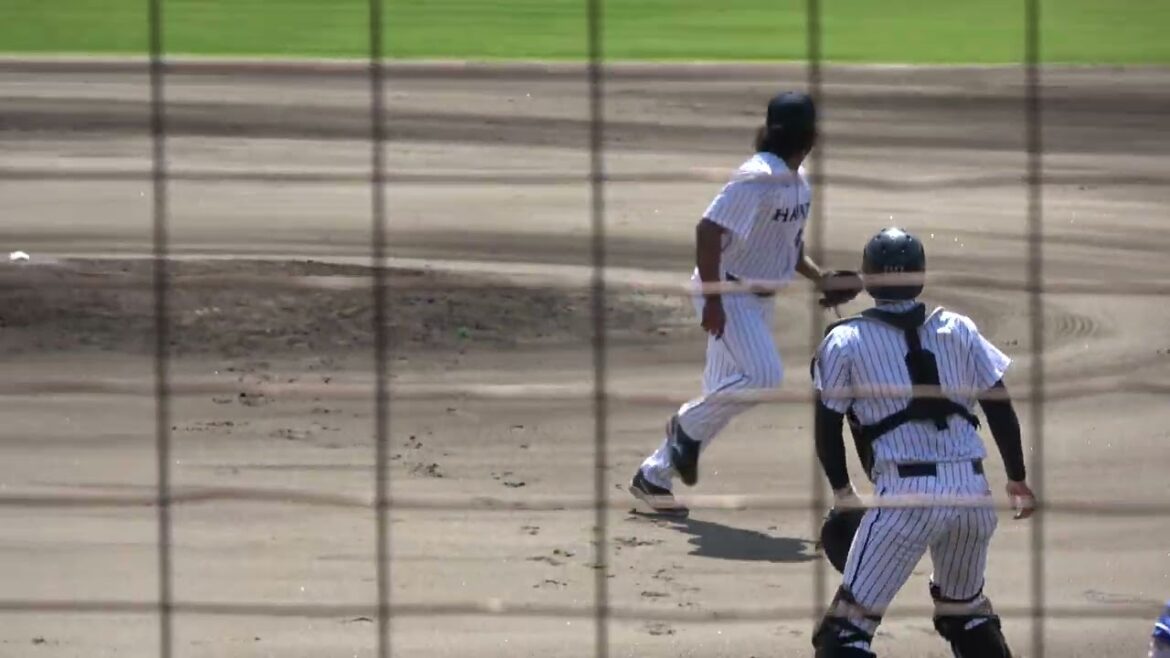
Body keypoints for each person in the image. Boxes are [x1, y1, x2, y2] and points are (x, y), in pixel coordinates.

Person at [628, 91, 862, 517]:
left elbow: (786, 245)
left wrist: (820, 278)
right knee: (763, 376)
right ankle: (682, 427)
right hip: (728, 292)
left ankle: (654, 476)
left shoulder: (797, 181)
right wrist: (714, 301)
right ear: (810, 135)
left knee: (719, 397)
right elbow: (707, 231)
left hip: (755, 301)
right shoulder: (757, 176)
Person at [809, 227, 1037, 657]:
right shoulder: (960, 328)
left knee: (846, 631)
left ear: (868, 278)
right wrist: (1017, 477)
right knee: (965, 613)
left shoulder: (844, 340)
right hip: (972, 495)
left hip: (905, 498)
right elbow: (999, 404)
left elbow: (827, 425)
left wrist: (843, 492)